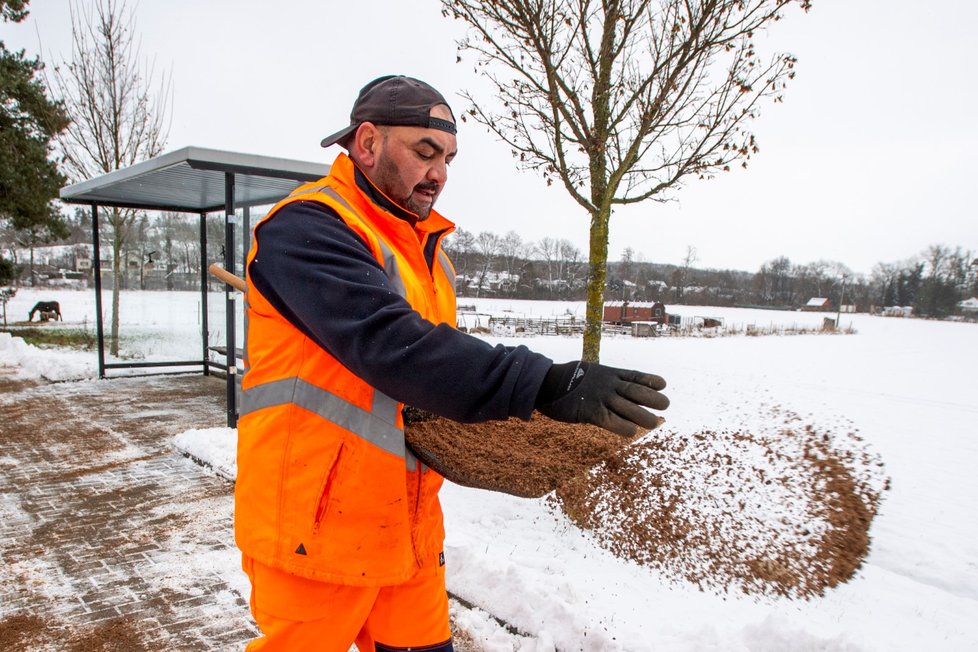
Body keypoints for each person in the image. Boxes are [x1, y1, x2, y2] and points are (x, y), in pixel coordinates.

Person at [235, 74, 669, 651]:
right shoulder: (306, 230)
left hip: (407, 524)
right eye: (425, 152)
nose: (439, 173)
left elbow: (429, 383)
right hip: (317, 527)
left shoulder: (428, 255)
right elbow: (393, 347)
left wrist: (523, 428)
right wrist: (541, 380)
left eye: (448, 158)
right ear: (367, 143)